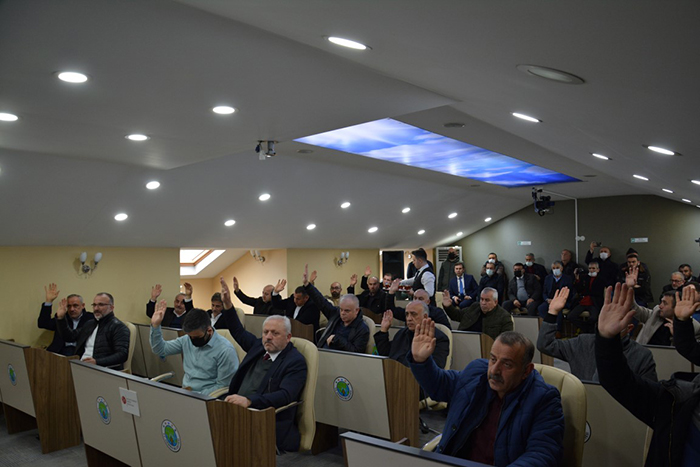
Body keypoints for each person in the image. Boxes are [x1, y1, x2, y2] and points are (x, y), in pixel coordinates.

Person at [409, 324, 564, 465]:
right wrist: (421, 360)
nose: (494, 370)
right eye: (493, 359)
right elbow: (440, 386)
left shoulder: (544, 399)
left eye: (507, 364)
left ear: (526, 371)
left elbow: (542, 454)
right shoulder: (476, 373)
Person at [596, 283, 700, 466]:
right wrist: (607, 339)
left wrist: (682, 324)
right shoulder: (678, 400)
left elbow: (688, 347)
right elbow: (618, 382)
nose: (661, 305)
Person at [219, 277, 307, 453]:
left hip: (263, 417)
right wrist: (228, 304)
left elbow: (285, 396)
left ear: (288, 337)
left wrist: (249, 401)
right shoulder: (259, 346)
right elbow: (238, 331)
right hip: (236, 407)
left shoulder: (295, 361)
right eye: (266, 332)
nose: (268, 337)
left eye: (275, 333)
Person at [537, 288, 656, 382]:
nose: (610, 324)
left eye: (617, 321)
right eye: (606, 318)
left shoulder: (641, 355)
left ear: (629, 328)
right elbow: (545, 345)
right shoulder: (583, 343)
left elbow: (648, 396)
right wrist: (552, 313)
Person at [150, 303, 238, 394]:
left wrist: (195, 397)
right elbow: (160, 349)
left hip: (208, 396)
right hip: (186, 392)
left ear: (209, 330)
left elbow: (223, 386)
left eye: (196, 337)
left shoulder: (225, 350)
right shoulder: (187, 340)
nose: (192, 340)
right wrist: (155, 326)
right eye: (190, 336)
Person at [626, 265, 700, 345]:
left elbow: (690, 350)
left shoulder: (694, 327)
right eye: (661, 302)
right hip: (644, 351)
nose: (660, 306)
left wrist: (678, 336)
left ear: (676, 308)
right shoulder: (656, 312)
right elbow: (634, 308)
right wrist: (629, 288)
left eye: (665, 303)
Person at [55, 292, 130, 369]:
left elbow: (122, 355)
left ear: (111, 307)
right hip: (81, 365)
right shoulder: (90, 324)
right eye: (94, 305)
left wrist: (97, 362)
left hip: (102, 369)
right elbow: (69, 337)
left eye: (101, 305)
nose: (96, 308)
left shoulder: (118, 327)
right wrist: (61, 318)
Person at [303, 267, 369, 352]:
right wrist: (307, 285)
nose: (342, 313)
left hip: (341, 358)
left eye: (347, 311)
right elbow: (321, 301)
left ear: (356, 310)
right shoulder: (336, 315)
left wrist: (337, 339)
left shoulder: (362, 329)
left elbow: (356, 352)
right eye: (341, 309)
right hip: (323, 353)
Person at [374, 301, 449, 368]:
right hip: (395, 375)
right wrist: (384, 330)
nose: (409, 318)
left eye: (413, 314)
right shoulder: (401, 334)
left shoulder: (439, 338)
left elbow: (437, 368)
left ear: (425, 317)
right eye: (407, 314)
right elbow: (385, 353)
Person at [38, 283, 93, 356]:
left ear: (83, 306)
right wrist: (48, 301)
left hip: (81, 353)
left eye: (75, 305)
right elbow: (43, 323)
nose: (72, 309)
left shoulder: (91, 318)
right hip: (60, 351)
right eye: (69, 306)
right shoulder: (63, 316)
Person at [442, 288, 513, 340]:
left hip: (486, 348)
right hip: (463, 341)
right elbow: (457, 315)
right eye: (482, 299)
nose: (483, 303)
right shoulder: (475, 307)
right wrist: (448, 306)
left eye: (487, 300)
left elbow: (505, 341)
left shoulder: (504, 317)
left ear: (495, 302)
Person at [386, 281, 452, 329]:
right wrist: (391, 293)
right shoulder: (408, 311)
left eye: (420, 299)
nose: (417, 301)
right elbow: (391, 311)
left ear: (428, 302)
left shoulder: (437, 312)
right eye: (415, 298)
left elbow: (446, 330)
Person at [567, 261, 606, 333]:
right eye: (590, 268)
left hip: (594, 302)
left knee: (594, 318)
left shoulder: (601, 279)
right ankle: (586, 329)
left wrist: (586, 292)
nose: (591, 270)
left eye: (593, 268)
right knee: (570, 316)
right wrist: (577, 280)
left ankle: (587, 330)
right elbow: (579, 290)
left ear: (598, 270)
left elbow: (597, 292)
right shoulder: (585, 278)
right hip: (583, 301)